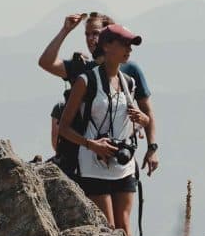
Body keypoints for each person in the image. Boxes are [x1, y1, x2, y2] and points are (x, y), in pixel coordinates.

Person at [38, 11, 159, 176]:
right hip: (81, 157)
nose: (90, 39)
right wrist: (65, 30)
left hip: (118, 157)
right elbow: (46, 62)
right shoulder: (81, 67)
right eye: (87, 34)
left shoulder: (130, 71)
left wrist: (152, 147)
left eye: (96, 33)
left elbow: (147, 111)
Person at [57, 24, 150, 236]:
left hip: (122, 163)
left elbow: (135, 122)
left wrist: (143, 120)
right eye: (124, 44)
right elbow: (64, 127)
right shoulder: (86, 81)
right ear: (107, 46)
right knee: (108, 229)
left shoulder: (129, 83)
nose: (129, 49)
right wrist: (91, 144)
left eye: (131, 45)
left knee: (124, 227)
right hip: (92, 163)